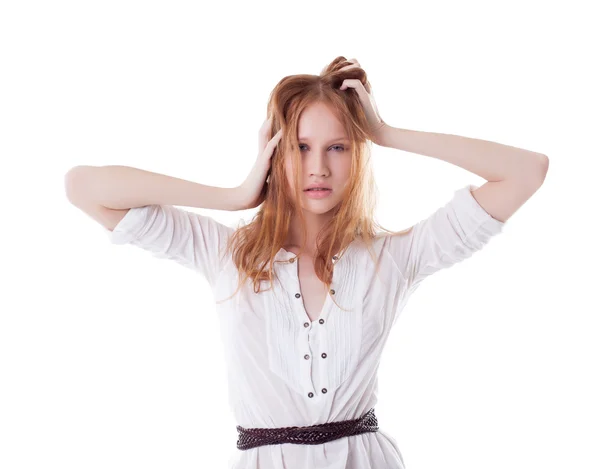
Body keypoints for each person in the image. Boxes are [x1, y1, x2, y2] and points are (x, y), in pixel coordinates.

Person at [64, 57, 548, 469]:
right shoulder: (224, 254)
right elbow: (84, 187)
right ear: (273, 154)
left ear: (356, 157)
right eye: (300, 147)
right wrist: (234, 196)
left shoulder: (394, 259)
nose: (318, 167)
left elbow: (527, 171)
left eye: (337, 147)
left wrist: (384, 132)